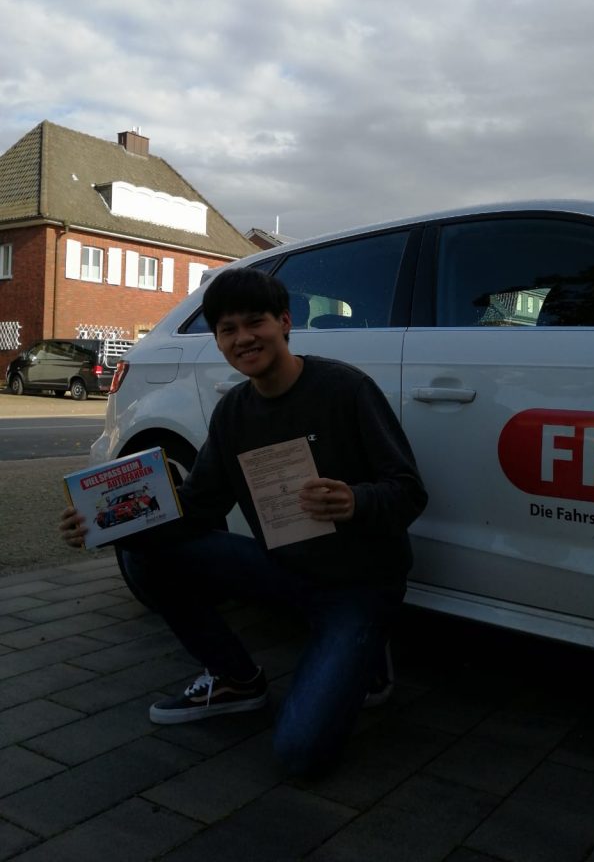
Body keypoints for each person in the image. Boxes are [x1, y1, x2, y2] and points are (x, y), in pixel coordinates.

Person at [60, 267, 427, 777]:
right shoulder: (234, 411)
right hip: (285, 570)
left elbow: (409, 491)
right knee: (144, 552)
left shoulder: (346, 389)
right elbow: (199, 506)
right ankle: (235, 679)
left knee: (300, 754)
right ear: (217, 340)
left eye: (255, 322)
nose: (243, 338)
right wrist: (103, 524)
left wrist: (356, 501)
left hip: (359, 585)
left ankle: (366, 649)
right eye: (227, 329)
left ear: (285, 322)